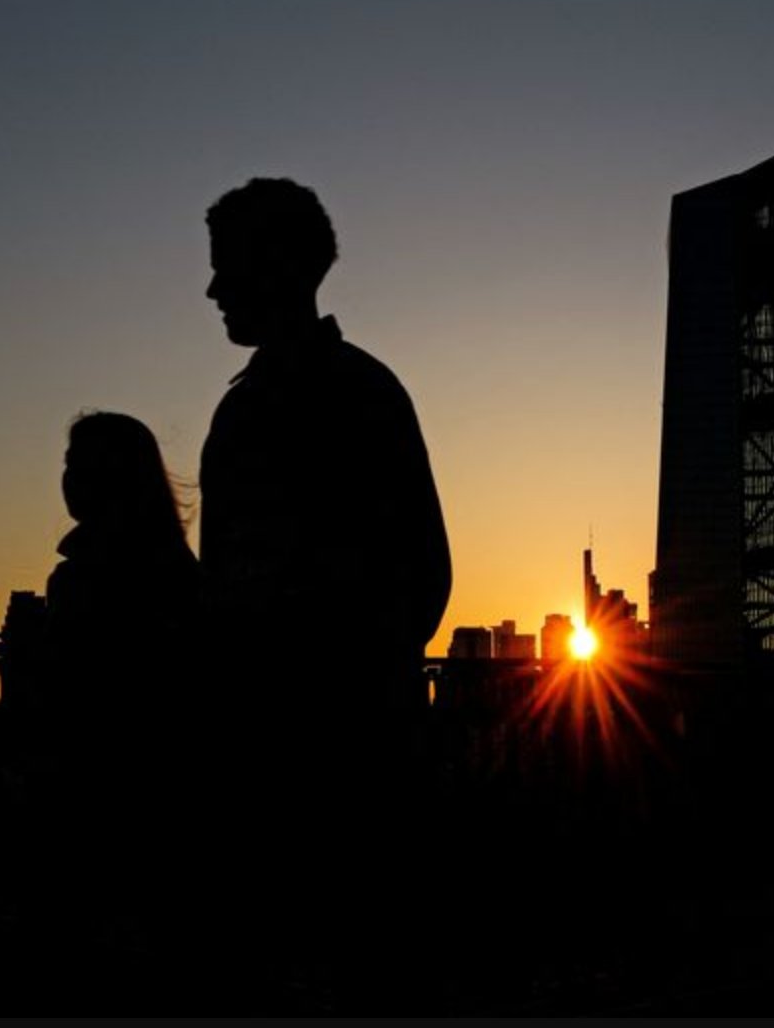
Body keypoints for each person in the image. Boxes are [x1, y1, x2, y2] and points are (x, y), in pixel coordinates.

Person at [198, 177, 452, 1004]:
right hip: (315, 753)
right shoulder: (341, 395)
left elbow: (416, 576)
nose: (212, 289)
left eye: (225, 267)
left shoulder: (343, 398)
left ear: (279, 267)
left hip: (327, 762)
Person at [28, 410, 200, 966]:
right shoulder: (173, 570)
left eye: (81, 465)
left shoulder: (101, 575)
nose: (69, 478)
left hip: (106, 809)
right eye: (67, 464)